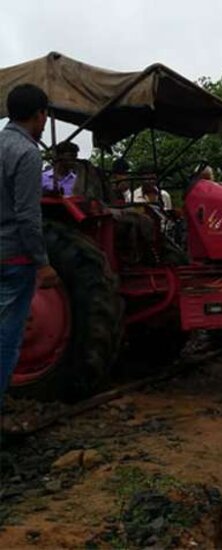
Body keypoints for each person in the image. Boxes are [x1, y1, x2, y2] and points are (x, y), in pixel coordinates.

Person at [1, 84, 58, 418]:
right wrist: (42, 263)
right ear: (39, 115)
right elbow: (27, 215)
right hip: (14, 258)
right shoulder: (26, 153)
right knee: (7, 339)